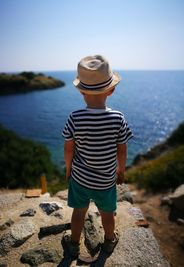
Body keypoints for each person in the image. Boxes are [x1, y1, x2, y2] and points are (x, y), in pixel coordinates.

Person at [62, 55, 133, 259]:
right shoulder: (118, 118)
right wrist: (121, 170)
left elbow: (68, 149)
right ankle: (109, 241)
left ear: (82, 91)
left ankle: (74, 245)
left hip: (80, 178)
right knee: (107, 213)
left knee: (78, 212)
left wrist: (69, 169)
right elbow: (122, 149)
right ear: (111, 90)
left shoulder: (75, 117)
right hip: (105, 180)